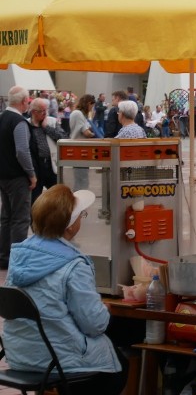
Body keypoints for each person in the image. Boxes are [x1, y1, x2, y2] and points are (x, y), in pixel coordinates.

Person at [3, 185, 129, 394]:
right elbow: (94, 324)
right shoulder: (73, 265)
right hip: (56, 360)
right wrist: (104, 310)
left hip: (20, 356)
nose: (82, 220)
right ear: (70, 226)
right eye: (82, 215)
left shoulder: (20, 259)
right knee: (118, 367)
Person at [0, 86, 37, 271]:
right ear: (24, 102)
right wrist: (31, 174)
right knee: (20, 219)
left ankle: (4, 257)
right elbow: (22, 150)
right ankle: (18, 260)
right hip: (17, 177)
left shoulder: (1, 117)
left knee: (6, 217)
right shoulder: (19, 122)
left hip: (3, 176)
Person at [27, 97, 66, 205]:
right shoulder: (26, 125)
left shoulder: (52, 122)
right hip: (35, 167)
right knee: (34, 199)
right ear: (33, 112)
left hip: (51, 165)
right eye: (41, 111)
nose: (45, 113)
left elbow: (63, 138)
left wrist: (46, 127)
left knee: (58, 197)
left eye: (46, 110)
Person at [69, 94, 96, 191]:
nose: (91, 109)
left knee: (79, 176)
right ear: (89, 103)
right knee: (82, 177)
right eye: (92, 106)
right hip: (80, 148)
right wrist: (95, 135)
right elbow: (86, 132)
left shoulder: (76, 113)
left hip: (77, 148)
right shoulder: (79, 114)